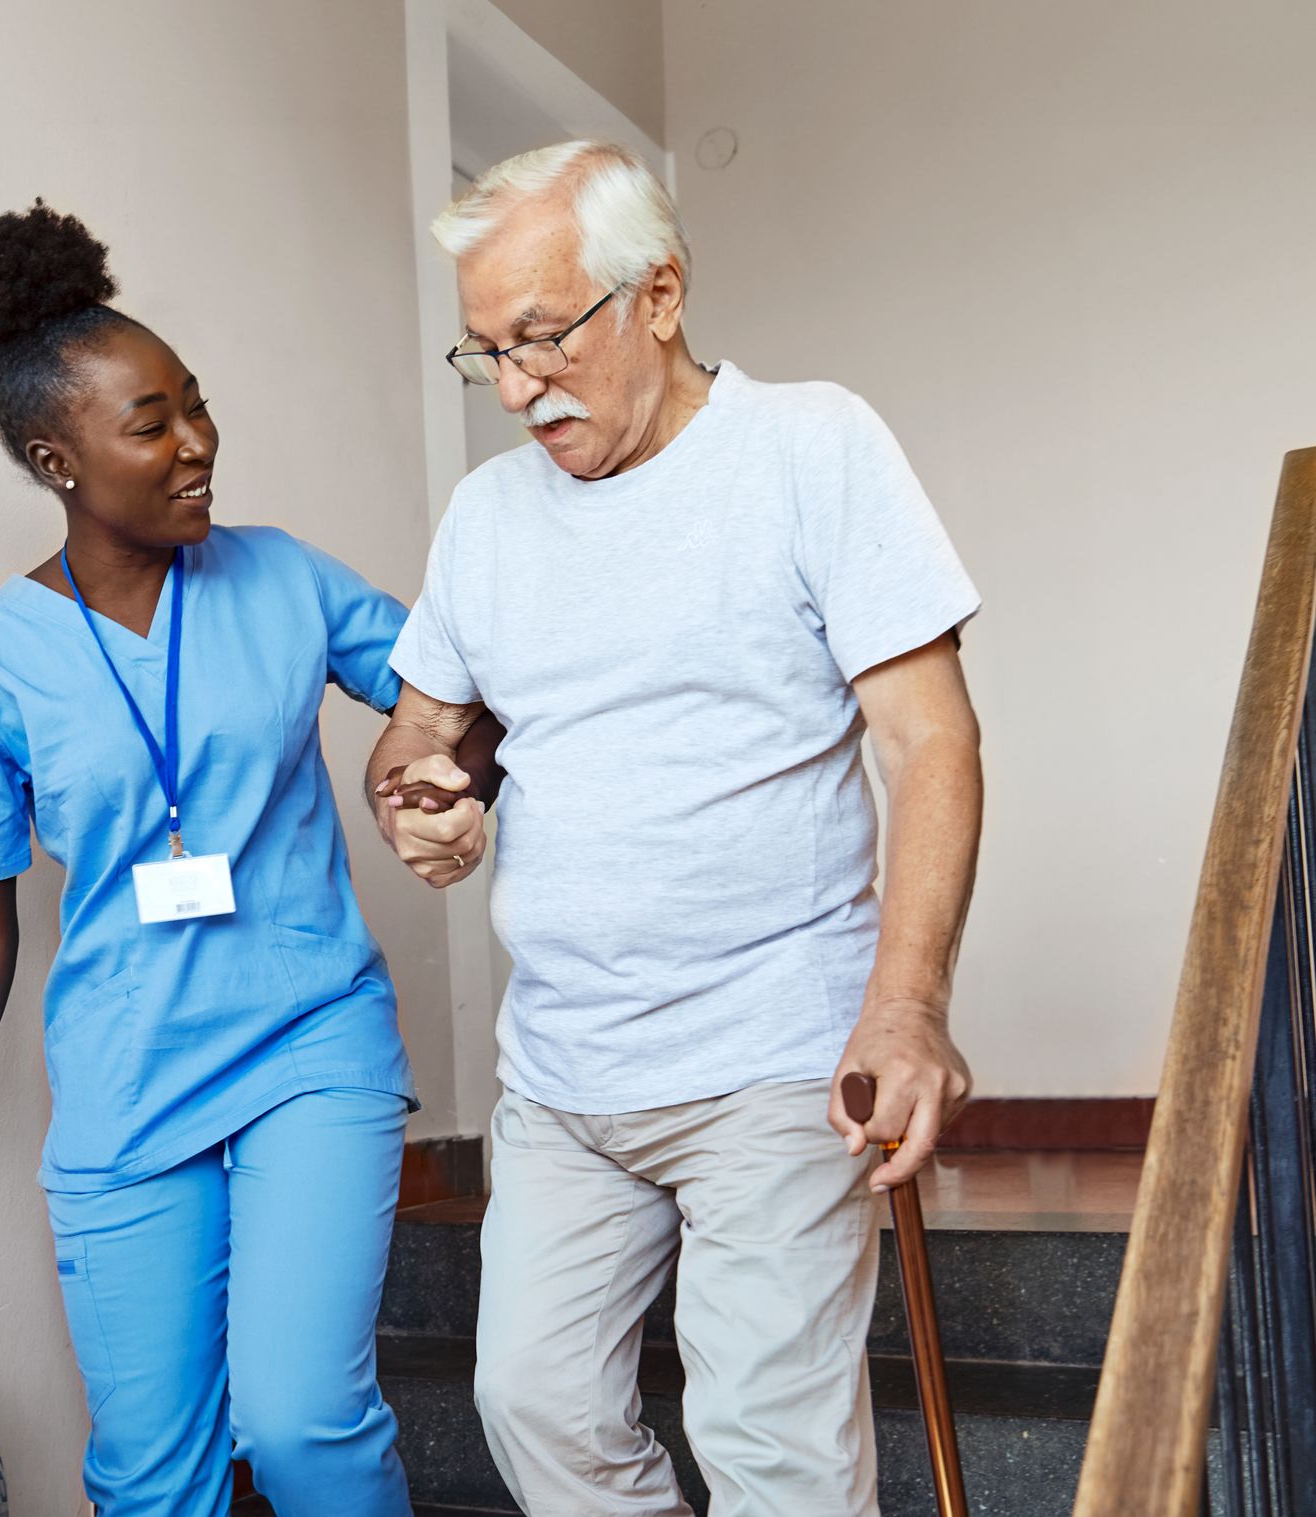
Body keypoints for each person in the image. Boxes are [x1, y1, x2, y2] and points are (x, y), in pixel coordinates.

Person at [0, 200, 492, 1517]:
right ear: (55, 455)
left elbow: (459, 684)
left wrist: (436, 766)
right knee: (152, 1478)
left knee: (303, 1422)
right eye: (152, 422)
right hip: (126, 1091)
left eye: (196, 404)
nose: (197, 443)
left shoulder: (285, 581)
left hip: (312, 1043)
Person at [369, 141, 984, 1517]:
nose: (520, 387)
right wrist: (418, 796)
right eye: (489, 354)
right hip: (564, 1072)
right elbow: (411, 737)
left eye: (543, 338)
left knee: (771, 1444)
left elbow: (930, 740)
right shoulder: (485, 520)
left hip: (775, 1051)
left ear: (660, 293)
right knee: (531, 1403)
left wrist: (906, 1005)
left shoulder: (808, 448)